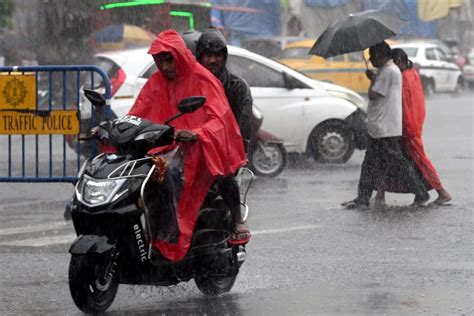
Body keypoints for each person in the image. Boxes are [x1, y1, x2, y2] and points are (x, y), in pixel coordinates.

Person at [127, 29, 246, 261]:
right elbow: (137, 112)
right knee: (140, 171)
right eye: (158, 60)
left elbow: (221, 120)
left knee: (168, 174)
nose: (164, 66)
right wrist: (117, 128)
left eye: (168, 59)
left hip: (201, 150)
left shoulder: (206, 80)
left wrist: (197, 134)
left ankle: (169, 237)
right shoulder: (156, 82)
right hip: (167, 149)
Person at [342, 41, 429, 209]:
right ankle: (363, 197)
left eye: (372, 57)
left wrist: (371, 80)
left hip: (384, 128)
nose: (371, 60)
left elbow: (373, 94)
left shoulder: (387, 72)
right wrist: (375, 77)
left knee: (397, 162)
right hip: (383, 126)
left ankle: (420, 192)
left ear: (381, 55)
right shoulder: (390, 70)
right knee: (371, 163)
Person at [195, 29, 253, 242]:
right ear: (198, 56)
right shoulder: (189, 85)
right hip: (193, 148)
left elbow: (243, 125)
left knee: (226, 177)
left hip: (223, 151)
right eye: (207, 55)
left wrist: (238, 151)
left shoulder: (237, 87)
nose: (213, 60)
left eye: (218, 54)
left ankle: (238, 218)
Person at [391, 48, 452, 205]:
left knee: (420, 161)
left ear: (398, 61)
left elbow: (404, 106)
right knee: (414, 162)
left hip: (409, 126)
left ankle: (441, 192)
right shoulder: (412, 73)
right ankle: (420, 193)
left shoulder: (403, 78)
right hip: (416, 122)